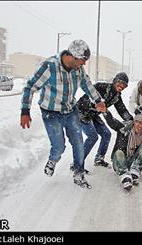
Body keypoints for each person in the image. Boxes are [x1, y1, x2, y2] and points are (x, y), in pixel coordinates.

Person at [20, 39, 105, 189]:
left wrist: (98, 100)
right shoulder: (49, 66)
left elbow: (87, 84)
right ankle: (53, 160)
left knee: (78, 142)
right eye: (82, 60)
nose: (83, 64)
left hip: (70, 111)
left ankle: (79, 173)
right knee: (59, 147)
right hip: (51, 113)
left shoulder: (78, 70)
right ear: (71, 56)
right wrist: (25, 111)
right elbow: (30, 87)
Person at [75, 72, 133, 171]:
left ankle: (99, 158)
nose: (121, 86)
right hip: (81, 113)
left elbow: (122, 109)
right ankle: (77, 163)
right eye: (120, 83)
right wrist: (93, 105)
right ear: (115, 81)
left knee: (106, 134)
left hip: (93, 115)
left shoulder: (117, 96)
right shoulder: (101, 87)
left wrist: (131, 120)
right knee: (92, 136)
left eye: (124, 85)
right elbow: (85, 98)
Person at [103, 109, 142, 190]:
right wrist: (105, 112)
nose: (140, 126)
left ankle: (135, 172)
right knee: (119, 152)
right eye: (139, 122)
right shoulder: (124, 129)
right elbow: (112, 122)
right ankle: (125, 177)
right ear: (134, 122)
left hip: (131, 163)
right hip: (118, 162)